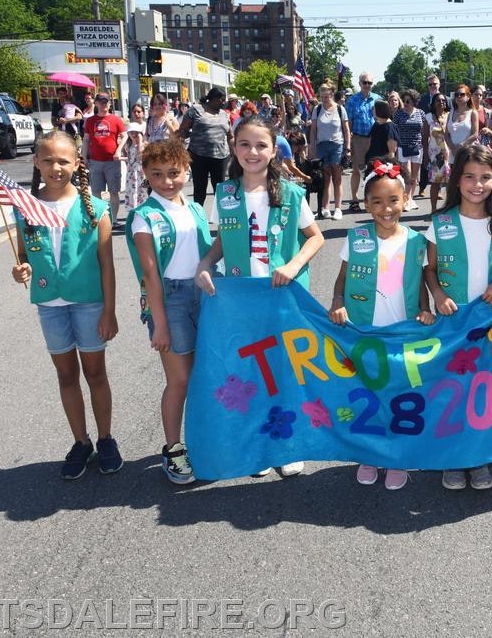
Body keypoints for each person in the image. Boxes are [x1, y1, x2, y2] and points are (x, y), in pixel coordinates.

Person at [194, 115, 325, 477]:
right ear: (234, 147)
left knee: (284, 370)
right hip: (241, 301)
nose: (253, 152)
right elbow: (223, 241)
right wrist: (205, 263)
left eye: (261, 145)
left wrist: (294, 265)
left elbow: (315, 237)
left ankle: (288, 445)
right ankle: (259, 447)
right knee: (251, 370)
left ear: (274, 150)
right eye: (245, 144)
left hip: (281, 297)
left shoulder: (292, 193)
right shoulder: (226, 193)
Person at [10, 131, 121, 480]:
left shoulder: (96, 208)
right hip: (50, 304)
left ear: (76, 163)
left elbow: (107, 263)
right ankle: (81, 441)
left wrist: (109, 310)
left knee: (95, 374)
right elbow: (25, 256)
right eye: (47, 160)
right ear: (35, 163)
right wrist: (21, 269)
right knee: (66, 376)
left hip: (89, 303)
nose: (55, 167)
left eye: (63, 161)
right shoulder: (24, 209)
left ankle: (105, 438)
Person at [329, 157, 435, 490]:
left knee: (400, 393)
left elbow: (420, 280)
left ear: (405, 200)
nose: (386, 208)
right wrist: (337, 303)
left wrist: (424, 309)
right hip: (364, 329)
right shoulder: (357, 236)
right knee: (369, 393)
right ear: (365, 204)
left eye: (393, 200)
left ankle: (397, 456)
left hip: (402, 330)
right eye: (377, 201)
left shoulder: (416, 241)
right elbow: (342, 279)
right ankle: (371, 454)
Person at [424, 144, 492, 491]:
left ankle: (478, 457)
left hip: (491, 322)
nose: (477, 185)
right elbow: (429, 270)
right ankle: (452, 456)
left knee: (484, 389)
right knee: (452, 389)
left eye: (485, 177)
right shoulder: (441, 221)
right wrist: (439, 295)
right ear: (457, 179)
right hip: (451, 323)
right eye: (469, 177)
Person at [125, 139, 213, 484]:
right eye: (157, 174)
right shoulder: (144, 217)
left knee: (204, 377)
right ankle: (174, 448)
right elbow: (150, 275)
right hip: (170, 297)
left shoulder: (195, 210)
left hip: (203, 294)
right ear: (145, 174)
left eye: (174, 173)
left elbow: (208, 252)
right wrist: (159, 323)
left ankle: (201, 441)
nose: (167, 181)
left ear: (186, 172)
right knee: (179, 380)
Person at [175, 87, 232, 207]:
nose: (224, 102)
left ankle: (222, 219)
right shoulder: (195, 110)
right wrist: (180, 141)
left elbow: (230, 136)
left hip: (221, 157)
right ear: (213, 98)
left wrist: (236, 153)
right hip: (198, 156)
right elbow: (183, 130)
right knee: (200, 189)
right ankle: (199, 217)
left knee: (220, 190)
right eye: (222, 100)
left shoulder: (224, 115)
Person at [82, 92, 127, 225]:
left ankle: (114, 219)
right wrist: (84, 157)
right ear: (95, 103)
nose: (104, 104)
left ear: (109, 103)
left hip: (112, 162)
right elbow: (86, 140)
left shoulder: (116, 119)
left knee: (114, 191)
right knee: (96, 191)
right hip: (95, 161)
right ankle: (101, 216)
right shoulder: (90, 121)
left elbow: (124, 136)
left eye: (106, 102)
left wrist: (118, 150)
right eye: (101, 102)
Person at [308, 79, 351, 220]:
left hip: (337, 145)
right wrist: (312, 148)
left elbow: (346, 130)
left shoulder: (340, 109)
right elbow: (313, 130)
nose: (324, 99)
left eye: (327, 96)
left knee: (337, 178)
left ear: (332, 95)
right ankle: (325, 207)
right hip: (321, 146)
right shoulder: (317, 109)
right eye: (322, 96)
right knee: (324, 178)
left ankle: (338, 209)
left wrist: (347, 148)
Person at [345, 73, 383, 213]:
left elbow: (384, 118)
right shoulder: (352, 101)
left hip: (375, 138)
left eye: (369, 83)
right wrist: (348, 144)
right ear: (359, 83)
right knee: (357, 169)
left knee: (375, 169)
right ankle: (354, 200)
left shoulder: (378, 99)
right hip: (358, 139)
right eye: (364, 82)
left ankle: (373, 200)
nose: (367, 85)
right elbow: (348, 123)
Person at [392, 88, 425, 209]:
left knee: (414, 176)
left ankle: (410, 199)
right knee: (407, 174)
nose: (405, 103)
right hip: (403, 146)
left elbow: (423, 130)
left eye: (408, 101)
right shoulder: (398, 114)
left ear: (414, 101)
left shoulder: (420, 113)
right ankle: (405, 199)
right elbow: (394, 131)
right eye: (404, 101)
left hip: (417, 146)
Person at [422, 93, 451, 212]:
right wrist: (425, 157)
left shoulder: (450, 116)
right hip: (435, 155)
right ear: (433, 103)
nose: (441, 103)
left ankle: (449, 209)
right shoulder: (428, 117)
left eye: (443, 101)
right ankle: (433, 210)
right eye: (438, 100)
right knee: (435, 183)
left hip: (450, 154)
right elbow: (424, 138)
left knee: (451, 184)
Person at [417, 74, 442, 198]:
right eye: (430, 84)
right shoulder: (423, 99)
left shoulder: (445, 99)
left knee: (440, 162)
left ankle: (438, 189)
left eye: (435, 84)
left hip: (440, 135)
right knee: (425, 161)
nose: (432, 86)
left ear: (439, 85)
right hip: (425, 132)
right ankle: (422, 187)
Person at [445, 84, 479, 162]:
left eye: (462, 94)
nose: (459, 97)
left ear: (468, 96)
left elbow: (475, 134)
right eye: (456, 95)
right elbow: (446, 135)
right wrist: (453, 149)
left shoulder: (473, 113)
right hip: (453, 155)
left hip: (468, 154)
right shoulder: (450, 113)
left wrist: (461, 146)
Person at [363, 100, 398, 170]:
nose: (372, 110)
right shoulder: (376, 124)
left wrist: (389, 168)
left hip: (383, 165)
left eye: (374, 109)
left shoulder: (390, 127)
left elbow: (392, 151)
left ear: (380, 110)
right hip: (373, 162)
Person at [120, 122, 146, 212]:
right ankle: (133, 210)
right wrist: (122, 158)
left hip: (140, 171)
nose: (133, 134)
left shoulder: (143, 145)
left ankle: (141, 209)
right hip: (131, 172)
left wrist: (140, 141)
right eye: (131, 132)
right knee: (131, 191)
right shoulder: (129, 145)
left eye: (136, 132)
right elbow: (130, 158)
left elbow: (139, 155)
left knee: (141, 191)